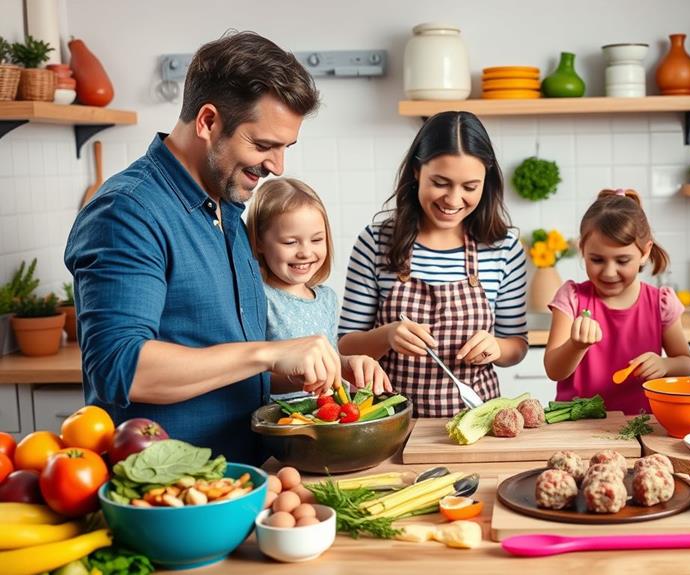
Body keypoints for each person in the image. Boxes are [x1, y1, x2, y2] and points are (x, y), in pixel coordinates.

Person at [64, 32, 338, 464]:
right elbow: (122, 367)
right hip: (167, 496)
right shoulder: (127, 211)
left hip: (241, 480)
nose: (277, 166)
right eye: (264, 145)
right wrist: (269, 352)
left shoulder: (226, 205)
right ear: (208, 122)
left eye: (286, 147)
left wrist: (304, 372)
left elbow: (227, 366)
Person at [338, 111, 528, 417]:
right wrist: (386, 336)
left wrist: (497, 347)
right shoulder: (375, 242)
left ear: (486, 182)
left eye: (469, 187)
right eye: (440, 183)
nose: (453, 199)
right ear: (417, 171)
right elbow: (346, 347)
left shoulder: (503, 248)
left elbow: (516, 345)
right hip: (390, 422)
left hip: (476, 421)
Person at [543, 189, 690, 415]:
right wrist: (576, 346)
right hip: (577, 425)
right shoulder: (572, 298)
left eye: (622, 260)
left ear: (645, 252)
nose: (609, 272)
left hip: (639, 423)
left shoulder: (660, 302)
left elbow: (686, 363)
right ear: (582, 249)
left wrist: (665, 365)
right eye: (597, 260)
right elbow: (554, 370)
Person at [246, 177, 392, 395]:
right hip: (281, 424)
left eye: (316, 240)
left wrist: (348, 363)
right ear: (259, 242)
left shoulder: (327, 299)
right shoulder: (259, 297)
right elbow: (250, 375)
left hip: (326, 420)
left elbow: (330, 360)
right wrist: (297, 378)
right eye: (290, 242)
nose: (305, 252)